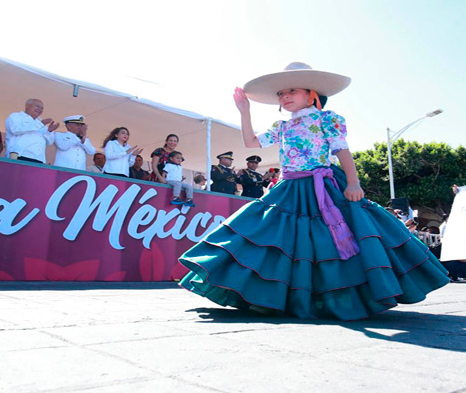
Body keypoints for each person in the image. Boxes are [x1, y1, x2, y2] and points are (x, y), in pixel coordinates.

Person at [178, 62, 449, 320]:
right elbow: (251, 142)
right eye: (281, 93)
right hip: (289, 187)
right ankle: (281, 298)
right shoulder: (281, 126)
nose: (284, 96)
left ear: (312, 94)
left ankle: (340, 299)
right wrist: (244, 110)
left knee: (332, 240)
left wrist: (354, 183)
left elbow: (342, 150)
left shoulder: (327, 119)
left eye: (292, 90)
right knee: (271, 235)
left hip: (326, 186)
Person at [4, 99, 58, 163]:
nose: (40, 109)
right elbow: (15, 130)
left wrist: (49, 131)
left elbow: (49, 142)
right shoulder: (16, 116)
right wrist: (40, 124)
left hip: (39, 159)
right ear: (27, 105)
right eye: (37, 106)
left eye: (42, 108)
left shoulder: (41, 122)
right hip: (19, 156)